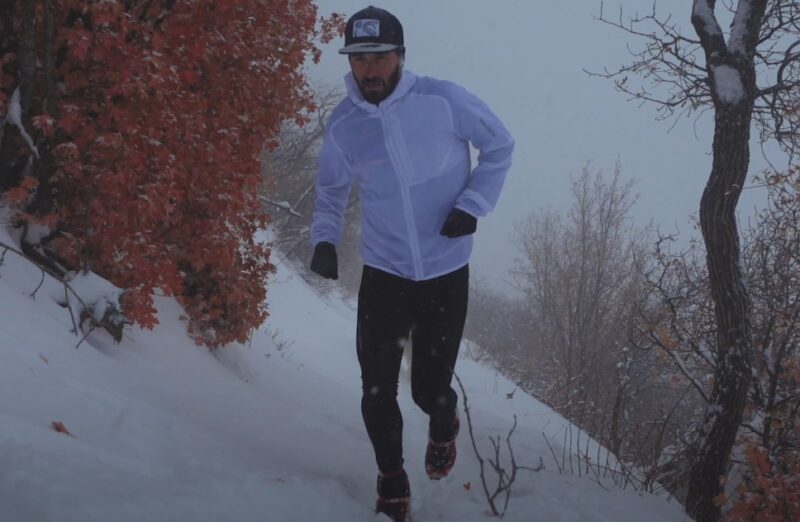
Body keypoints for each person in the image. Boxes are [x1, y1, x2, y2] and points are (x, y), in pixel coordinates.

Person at [309, 6, 514, 521]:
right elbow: (331, 189)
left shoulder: (442, 101)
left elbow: (500, 146)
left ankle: (444, 423)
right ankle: (391, 478)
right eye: (359, 59)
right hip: (385, 272)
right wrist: (324, 240)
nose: (370, 69)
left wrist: (472, 206)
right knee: (375, 389)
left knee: (428, 391)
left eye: (379, 56)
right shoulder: (345, 125)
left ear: (400, 56)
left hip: (445, 273)